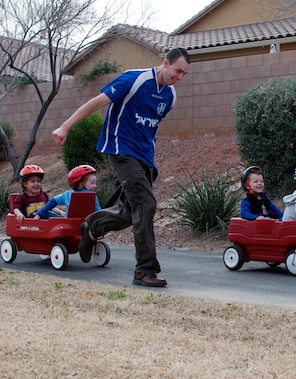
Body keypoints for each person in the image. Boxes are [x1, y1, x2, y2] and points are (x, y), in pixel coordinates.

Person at [51, 48, 191, 287]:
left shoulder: (170, 96)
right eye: (177, 71)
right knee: (146, 204)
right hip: (120, 149)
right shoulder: (133, 79)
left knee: (132, 211)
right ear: (165, 63)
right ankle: (144, 270)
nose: (179, 77)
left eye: (184, 74)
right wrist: (65, 127)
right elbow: (97, 102)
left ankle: (91, 227)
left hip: (143, 157)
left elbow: (149, 130)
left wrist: (150, 161)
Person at [34, 165, 101, 219]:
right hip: (86, 225)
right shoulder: (92, 196)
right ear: (81, 184)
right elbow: (99, 212)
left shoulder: (67, 194)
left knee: (47, 214)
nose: (95, 185)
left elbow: (52, 201)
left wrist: (39, 214)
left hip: (68, 224)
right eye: (92, 183)